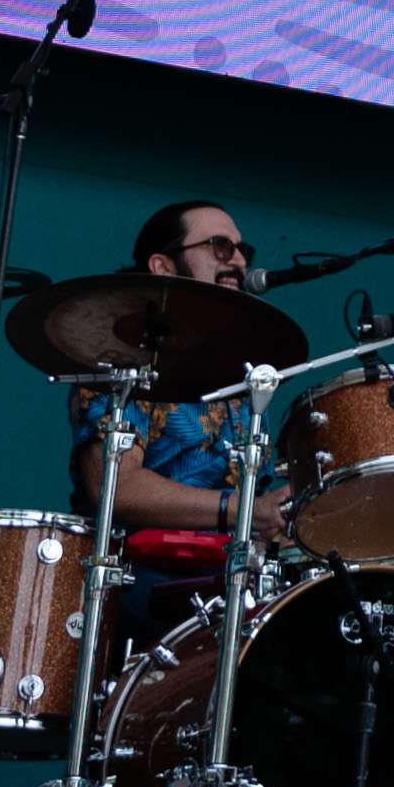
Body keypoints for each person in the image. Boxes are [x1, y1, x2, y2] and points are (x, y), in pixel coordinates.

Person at [95, 199, 283, 550]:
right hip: (141, 575)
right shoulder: (121, 360)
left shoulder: (243, 371)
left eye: (243, 250)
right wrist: (238, 509)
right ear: (162, 265)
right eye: (221, 247)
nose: (240, 261)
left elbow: (260, 506)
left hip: (234, 578)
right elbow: (115, 487)